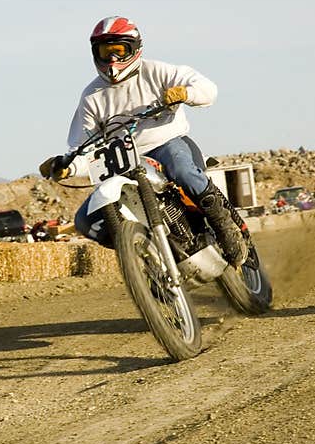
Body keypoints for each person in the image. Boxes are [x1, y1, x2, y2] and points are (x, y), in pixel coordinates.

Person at [39, 15, 248, 267]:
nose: (112, 60)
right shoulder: (91, 97)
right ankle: (148, 261)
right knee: (86, 219)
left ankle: (224, 227)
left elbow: (207, 88)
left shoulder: (157, 71)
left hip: (165, 144)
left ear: (134, 48)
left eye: (118, 51)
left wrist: (186, 93)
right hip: (120, 163)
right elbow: (84, 148)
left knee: (182, 169)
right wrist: (67, 166)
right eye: (106, 52)